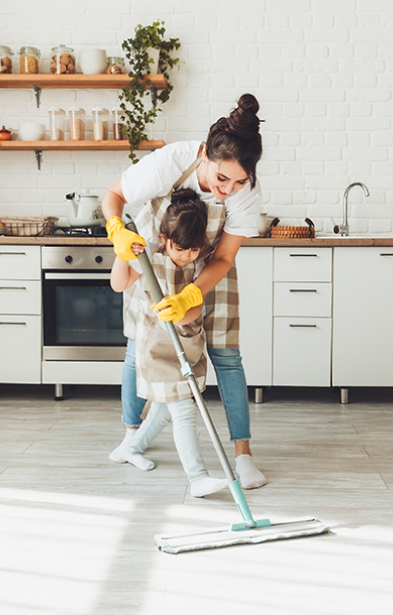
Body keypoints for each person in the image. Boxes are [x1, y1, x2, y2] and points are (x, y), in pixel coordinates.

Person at [101, 94, 267, 489]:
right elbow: (114, 196)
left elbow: (223, 257)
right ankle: (131, 437)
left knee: (227, 356)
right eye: (221, 178)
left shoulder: (246, 192)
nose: (228, 189)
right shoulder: (174, 160)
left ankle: (242, 457)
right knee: (138, 347)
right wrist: (117, 233)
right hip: (154, 258)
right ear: (204, 156)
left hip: (209, 267)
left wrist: (194, 294)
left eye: (239, 180)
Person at [108, 190, 231, 497]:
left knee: (165, 407)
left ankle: (130, 449)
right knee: (183, 409)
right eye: (179, 248)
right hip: (156, 347)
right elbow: (118, 284)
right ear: (163, 237)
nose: (185, 255)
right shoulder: (149, 259)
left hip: (186, 343)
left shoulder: (199, 263)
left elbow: (196, 307)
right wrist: (122, 254)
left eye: (192, 249)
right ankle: (197, 477)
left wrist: (182, 308)